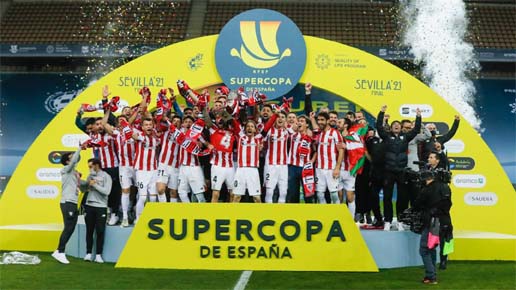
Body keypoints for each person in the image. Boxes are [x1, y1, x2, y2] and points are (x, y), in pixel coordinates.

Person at [376, 105, 421, 231]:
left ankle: (401, 221)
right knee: (387, 197)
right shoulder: (386, 137)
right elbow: (379, 127)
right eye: (394, 125)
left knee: (402, 198)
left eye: (398, 125)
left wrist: (418, 116)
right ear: (391, 127)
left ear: (401, 128)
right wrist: (381, 112)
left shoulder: (406, 138)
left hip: (402, 171)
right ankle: (388, 221)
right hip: (389, 171)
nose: (396, 126)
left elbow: (416, 129)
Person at [413, 170, 452, 284]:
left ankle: (431, 276)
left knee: (424, 249)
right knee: (432, 248)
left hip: (432, 223)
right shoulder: (446, 188)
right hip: (445, 222)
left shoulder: (427, 189)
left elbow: (416, 205)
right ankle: (432, 274)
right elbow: (447, 204)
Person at [52, 145, 86, 264]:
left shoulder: (75, 173)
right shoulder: (66, 169)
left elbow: (82, 187)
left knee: (70, 228)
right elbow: (72, 164)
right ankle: (60, 252)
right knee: (68, 227)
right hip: (67, 202)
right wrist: (79, 148)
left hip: (73, 202)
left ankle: (59, 251)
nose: (75, 159)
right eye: (72, 158)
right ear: (67, 161)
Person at [83, 158, 113, 263]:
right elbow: (85, 189)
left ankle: (99, 255)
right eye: (89, 167)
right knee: (89, 230)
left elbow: (107, 192)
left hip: (101, 206)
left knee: (100, 231)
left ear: (97, 165)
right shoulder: (90, 176)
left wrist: (94, 184)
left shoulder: (106, 176)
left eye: (91, 166)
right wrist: (81, 183)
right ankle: (88, 253)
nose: (90, 169)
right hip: (89, 205)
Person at [314, 112, 344, 204]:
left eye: (322, 120)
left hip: (331, 168)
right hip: (319, 168)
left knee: (334, 194)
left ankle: (337, 214)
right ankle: (324, 215)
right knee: (319, 194)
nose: (320, 122)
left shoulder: (335, 133)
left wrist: (337, 168)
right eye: (318, 120)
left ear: (327, 121)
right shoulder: (318, 133)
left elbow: (341, 151)